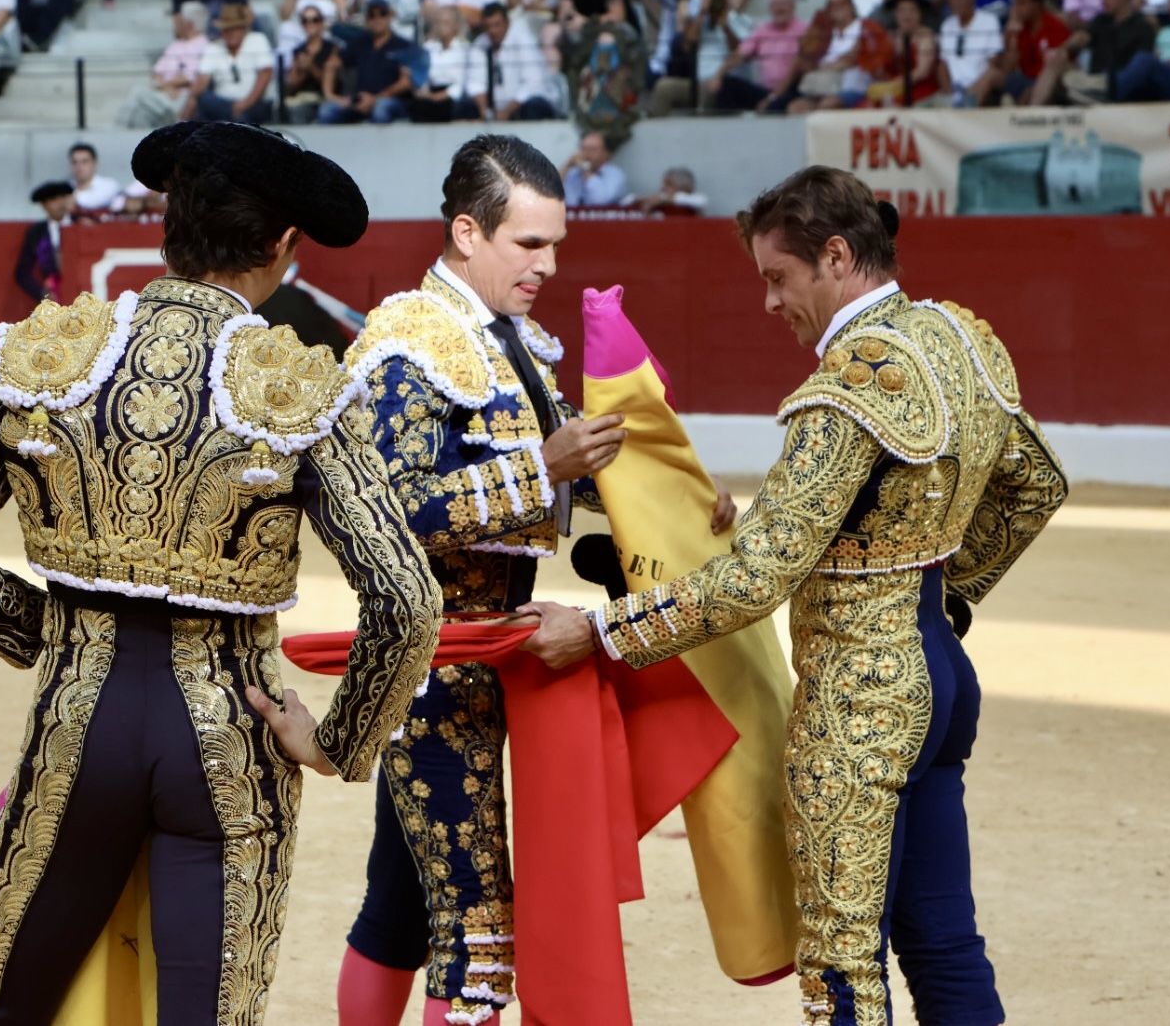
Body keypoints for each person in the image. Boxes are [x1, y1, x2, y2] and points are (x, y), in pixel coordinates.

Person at [0, 119, 440, 1026]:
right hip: (228, 736)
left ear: (166, 227)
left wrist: (48, 631)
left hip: (77, 721)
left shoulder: (43, 355)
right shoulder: (297, 384)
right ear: (285, 247)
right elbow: (408, 600)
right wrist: (339, 740)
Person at [520, 164, 1069, 1026]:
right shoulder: (959, 340)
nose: (771, 302)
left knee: (843, 963)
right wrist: (943, 600)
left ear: (838, 256)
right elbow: (1034, 486)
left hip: (859, 701)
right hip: (941, 675)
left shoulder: (852, 383)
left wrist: (599, 631)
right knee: (942, 938)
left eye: (779, 277)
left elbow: (757, 578)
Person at [335, 133, 693, 1026]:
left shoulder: (515, 342)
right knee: (479, 930)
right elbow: (383, 512)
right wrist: (540, 465)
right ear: (466, 231)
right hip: (431, 666)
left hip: (500, 659)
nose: (548, 264)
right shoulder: (403, 343)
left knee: (401, 904)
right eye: (529, 244)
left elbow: (585, 463)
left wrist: (677, 496)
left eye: (555, 243)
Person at [1029, 0, 1152, 105]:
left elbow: (1142, 70)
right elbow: (1083, 37)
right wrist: (1063, 48)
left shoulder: (1143, 27)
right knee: (1056, 60)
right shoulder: (1101, 20)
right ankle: (1032, 114)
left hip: (1117, 87)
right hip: (1091, 83)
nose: (1102, 0)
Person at [705, 0, 806, 112]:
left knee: (775, 105)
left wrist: (773, 98)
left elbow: (800, 67)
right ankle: (727, 129)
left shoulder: (804, 31)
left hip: (791, 90)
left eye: (783, 4)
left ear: (792, 6)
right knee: (725, 85)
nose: (779, 8)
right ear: (770, 8)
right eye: (775, 4)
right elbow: (739, 54)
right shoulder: (762, 31)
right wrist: (718, 75)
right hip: (766, 90)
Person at [317, 0, 416, 123]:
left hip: (392, 101)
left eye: (382, 14)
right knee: (327, 111)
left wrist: (375, 98)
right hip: (359, 100)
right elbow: (331, 65)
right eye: (371, 15)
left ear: (390, 16)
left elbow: (406, 82)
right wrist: (330, 95)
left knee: (381, 109)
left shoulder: (403, 45)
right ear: (366, 19)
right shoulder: (360, 43)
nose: (377, 19)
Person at [115, 2, 212, 128]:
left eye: (179, 18)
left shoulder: (204, 45)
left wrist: (166, 85)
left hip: (181, 97)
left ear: (189, 23)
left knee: (137, 92)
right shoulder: (176, 44)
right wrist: (167, 87)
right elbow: (157, 73)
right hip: (164, 94)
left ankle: (117, 129)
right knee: (140, 114)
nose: (175, 22)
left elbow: (189, 78)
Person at [186, 2, 275, 124]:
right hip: (223, 104)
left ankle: (234, 120)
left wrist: (244, 104)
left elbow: (265, 75)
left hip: (254, 103)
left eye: (235, 28)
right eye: (227, 29)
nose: (231, 33)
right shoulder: (213, 47)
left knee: (245, 115)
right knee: (204, 99)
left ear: (243, 29)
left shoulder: (257, 40)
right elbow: (201, 81)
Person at [474, 1, 560, 120]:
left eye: (497, 25)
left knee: (532, 108)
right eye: (488, 26)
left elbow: (534, 82)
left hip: (531, 102)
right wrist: (485, 112)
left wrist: (507, 111)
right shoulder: (480, 44)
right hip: (497, 109)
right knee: (466, 108)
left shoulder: (523, 40)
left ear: (507, 23)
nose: (492, 31)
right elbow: (475, 83)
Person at [996, 0, 1070, 104]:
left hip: (1049, 83)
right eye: (1016, 4)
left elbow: (1063, 64)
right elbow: (1006, 69)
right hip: (1024, 79)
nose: (1017, 9)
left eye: (1022, 3)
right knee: (995, 76)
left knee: (1028, 92)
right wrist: (1011, 35)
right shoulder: (1018, 28)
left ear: (1037, 4)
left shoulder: (1055, 27)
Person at [414, 5, 487, 120]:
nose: (441, 27)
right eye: (438, 22)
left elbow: (462, 83)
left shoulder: (466, 50)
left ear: (456, 25)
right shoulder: (429, 49)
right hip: (431, 94)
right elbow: (423, 77)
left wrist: (438, 97)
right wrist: (427, 94)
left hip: (452, 98)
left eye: (446, 22)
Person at [938, 0, 1003, 106]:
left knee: (992, 74)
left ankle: (968, 105)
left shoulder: (989, 21)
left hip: (980, 84)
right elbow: (943, 65)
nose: (957, 1)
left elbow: (994, 61)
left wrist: (973, 88)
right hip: (955, 87)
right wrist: (949, 92)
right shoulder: (947, 25)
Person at [14, 179, 71, 301]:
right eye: (53, 199)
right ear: (44, 205)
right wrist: (43, 294)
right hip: (54, 295)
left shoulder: (80, 223)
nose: (60, 203)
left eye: (62, 197)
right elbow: (22, 273)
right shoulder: (36, 232)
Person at [282, 3, 340, 123]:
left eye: (315, 20)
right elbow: (291, 85)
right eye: (305, 20)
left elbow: (331, 84)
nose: (310, 24)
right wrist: (300, 70)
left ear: (322, 23)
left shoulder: (332, 49)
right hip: (302, 97)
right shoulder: (298, 51)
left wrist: (311, 67)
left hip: (322, 99)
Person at [560, 129, 627, 207]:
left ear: (606, 153)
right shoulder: (573, 173)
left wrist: (585, 168)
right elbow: (550, 193)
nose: (586, 154)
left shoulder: (615, 175)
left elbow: (600, 201)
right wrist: (567, 165)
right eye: (583, 149)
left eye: (592, 149)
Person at [68, 140, 123, 214]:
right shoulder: (66, 187)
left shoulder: (109, 185)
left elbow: (93, 201)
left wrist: (67, 199)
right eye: (74, 162)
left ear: (95, 164)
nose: (79, 167)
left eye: (84, 162)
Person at [625, 165, 706, 214]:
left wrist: (662, 199)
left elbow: (701, 201)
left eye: (669, 184)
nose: (663, 188)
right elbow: (627, 200)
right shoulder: (656, 201)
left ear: (686, 188)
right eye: (664, 184)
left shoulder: (696, 200)